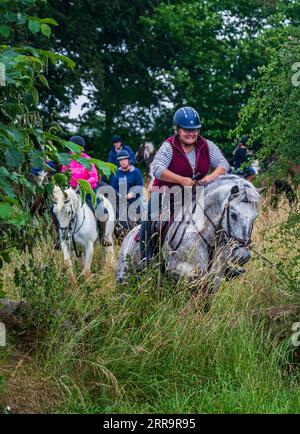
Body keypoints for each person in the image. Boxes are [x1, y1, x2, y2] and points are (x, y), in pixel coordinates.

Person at [139, 106, 230, 268]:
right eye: (187, 130)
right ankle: (146, 259)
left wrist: (210, 177)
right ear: (177, 130)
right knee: (149, 217)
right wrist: (181, 180)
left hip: (195, 194)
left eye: (195, 130)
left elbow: (224, 164)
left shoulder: (207, 145)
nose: (191, 133)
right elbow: (157, 169)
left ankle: (224, 262)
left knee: (218, 219)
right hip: (166, 193)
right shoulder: (168, 146)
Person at [61, 135, 99, 209]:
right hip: (71, 190)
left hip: (87, 190)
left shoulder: (88, 160)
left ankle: (102, 218)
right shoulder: (66, 160)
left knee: (99, 210)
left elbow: (94, 177)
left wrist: (83, 183)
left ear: (82, 148)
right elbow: (63, 175)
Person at [110, 150, 144, 230]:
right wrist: (118, 195)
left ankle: (140, 230)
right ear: (118, 162)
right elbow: (113, 187)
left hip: (134, 200)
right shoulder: (116, 173)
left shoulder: (136, 172)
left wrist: (132, 194)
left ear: (128, 160)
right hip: (120, 201)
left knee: (141, 214)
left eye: (125, 159)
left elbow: (140, 186)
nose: (123, 162)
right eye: (120, 160)